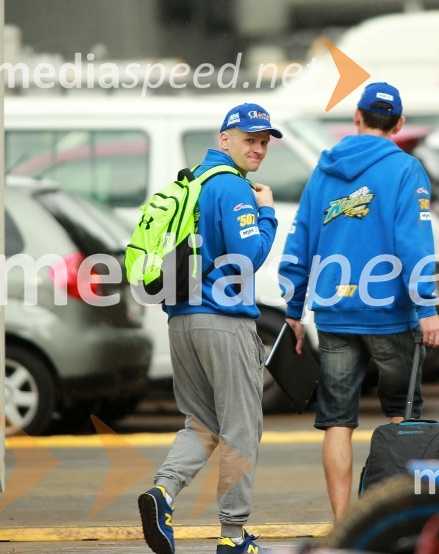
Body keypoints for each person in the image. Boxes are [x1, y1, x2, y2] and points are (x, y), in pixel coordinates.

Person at [278, 82, 439, 520]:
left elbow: (301, 239)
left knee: (337, 421)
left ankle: (343, 524)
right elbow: (412, 243)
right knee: (401, 417)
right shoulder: (406, 169)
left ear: (356, 116)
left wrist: (294, 311)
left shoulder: (325, 169)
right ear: (399, 124)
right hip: (389, 315)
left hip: (334, 313)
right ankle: (392, 520)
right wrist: (426, 308)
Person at [138, 103, 280, 554]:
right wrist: (267, 212)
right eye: (248, 139)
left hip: (182, 320)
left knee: (201, 423)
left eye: (263, 141)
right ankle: (233, 536)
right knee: (241, 429)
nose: (257, 148)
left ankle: (162, 492)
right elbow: (248, 258)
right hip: (223, 321)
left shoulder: (192, 183)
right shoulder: (232, 188)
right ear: (224, 139)